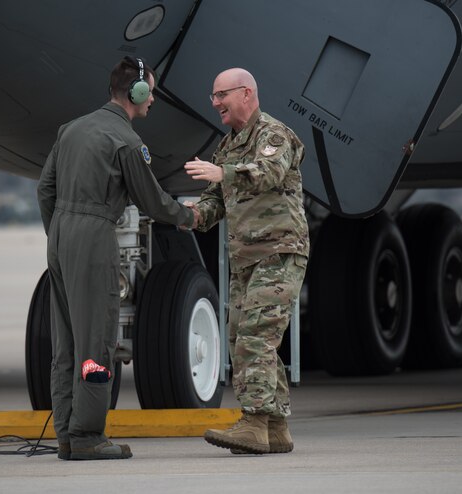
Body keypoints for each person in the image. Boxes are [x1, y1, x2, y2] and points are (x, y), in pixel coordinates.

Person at [37, 56, 198, 461]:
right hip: (93, 235)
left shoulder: (70, 130)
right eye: (151, 93)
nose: (153, 101)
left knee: (67, 341)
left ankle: (67, 435)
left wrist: (61, 234)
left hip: (60, 233)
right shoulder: (126, 142)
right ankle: (88, 436)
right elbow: (153, 201)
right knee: (97, 341)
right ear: (137, 93)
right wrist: (189, 216)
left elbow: (44, 189)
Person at [184, 68, 309, 455]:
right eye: (214, 96)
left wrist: (223, 173)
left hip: (279, 252)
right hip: (245, 259)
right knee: (244, 338)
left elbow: (267, 174)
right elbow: (216, 200)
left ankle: (253, 423)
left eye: (222, 94)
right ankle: (275, 427)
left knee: (256, 336)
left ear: (247, 94)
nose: (216, 102)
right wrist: (189, 215)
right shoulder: (228, 145)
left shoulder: (273, 134)